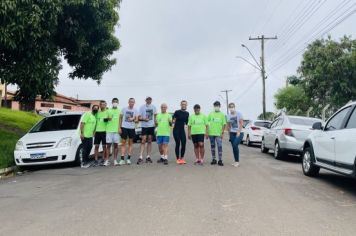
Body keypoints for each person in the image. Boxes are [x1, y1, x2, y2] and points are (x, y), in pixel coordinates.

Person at [138, 97, 157, 164]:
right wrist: (144, 119)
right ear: (145, 100)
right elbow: (139, 117)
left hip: (151, 126)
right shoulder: (142, 107)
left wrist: (155, 124)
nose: (149, 101)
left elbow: (155, 116)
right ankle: (140, 157)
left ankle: (148, 156)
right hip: (144, 126)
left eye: (150, 100)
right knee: (143, 141)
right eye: (147, 99)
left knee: (149, 141)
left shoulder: (154, 107)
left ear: (151, 100)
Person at [119, 98, 139, 165]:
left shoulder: (135, 110)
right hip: (124, 127)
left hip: (131, 128)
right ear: (128, 102)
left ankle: (128, 159)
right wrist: (119, 127)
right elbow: (120, 118)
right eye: (130, 102)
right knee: (123, 143)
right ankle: (122, 159)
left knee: (130, 143)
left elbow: (137, 121)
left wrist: (133, 119)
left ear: (134, 103)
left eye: (133, 102)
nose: (131, 103)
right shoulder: (124, 109)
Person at [207, 101, 227, 166]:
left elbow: (224, 124)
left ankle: (220, 160)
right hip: (211, 133)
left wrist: (222, 133)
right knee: (212, 146)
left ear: (220, 106)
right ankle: (214, 159)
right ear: (214, 106)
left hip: (219, 134)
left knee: (219, 146)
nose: (216, 107)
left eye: (217, 105)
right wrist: (207, 132)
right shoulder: (210, 114)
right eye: (215, 106)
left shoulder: (222, 115)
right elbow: (207, 123)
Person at [106, 98, 121, 166]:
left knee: (116, 145)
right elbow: (105, 119)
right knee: (108, 146)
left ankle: (115, 160)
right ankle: (107, 160)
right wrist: (107, 119)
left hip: (116, 131)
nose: (115, 103)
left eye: (116, 102)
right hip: (109, 130)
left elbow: (121, 120)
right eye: (114, 101)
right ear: (112, 102)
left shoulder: (120, 111)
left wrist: (120, 128)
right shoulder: (108, 110)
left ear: (118, 103)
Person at [227, 103, 244, 167]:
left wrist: (239, 132)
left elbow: (241, 123)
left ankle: (237, 161)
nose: (231, 108)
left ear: (234, 107)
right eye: (230, 107)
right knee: (234, 147)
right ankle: (236, 161)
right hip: (232, 133)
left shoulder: (239, 114)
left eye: (232, 107)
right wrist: (229, 134)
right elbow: (228, 125)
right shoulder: (228, 115)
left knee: (235, 145)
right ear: (229, 108)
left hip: (239, 133)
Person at [173, 100, 189, 165]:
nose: (183, 105)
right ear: (180, 105)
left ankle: (182, 158)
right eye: (182, 104)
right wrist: (173, 121)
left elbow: (187, 123)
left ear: (186, 105)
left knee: (184, 143)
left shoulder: (187, 113)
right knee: (178, 143)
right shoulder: (177, 112)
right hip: (176, 130)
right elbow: (173, 119)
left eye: (185, 104)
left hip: (182, 130)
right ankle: (178, 159)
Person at [94, 101, 108, 166]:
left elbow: (110, 120)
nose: (102, 106)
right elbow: (95, 123)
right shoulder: (97, 113)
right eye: (101, 104)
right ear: (100, 105)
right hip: (97, 132)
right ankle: (96, 160)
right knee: (96, 146)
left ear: (106, 105)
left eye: (104, 104)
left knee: (104, 146)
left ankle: (103, 159)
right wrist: (94, 131)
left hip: (104, 132)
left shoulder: (108, 112)